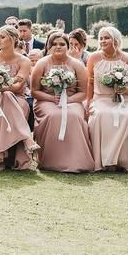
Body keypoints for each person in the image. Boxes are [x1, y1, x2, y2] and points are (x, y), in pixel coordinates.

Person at [87, 26, 128, 174]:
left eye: (106, 38)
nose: (103, 41)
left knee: (127, 117)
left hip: (126, 101)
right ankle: (104, 162)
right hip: (101, 100)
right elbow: (89, 82)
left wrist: (126, 90)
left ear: (116, 40)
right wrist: (88, 103)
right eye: (101, 38)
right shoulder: (94, 58)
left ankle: (124, 161)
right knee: (100, 116)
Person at [30, 31, 95, 173]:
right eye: (54, 44)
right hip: (46, 100)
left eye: (62, 44)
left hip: (73, 101)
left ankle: (76, 160)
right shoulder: (42, 63)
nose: (58, 47)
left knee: (74, 116)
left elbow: (83, 93)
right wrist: (51, 98)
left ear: (67, 46)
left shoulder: (77, 64)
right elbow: (34, 91)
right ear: (49, 46)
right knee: (54, 115)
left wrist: (68, 100)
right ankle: (50, 160)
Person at [0, 25, 40, 170]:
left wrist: (3, 87)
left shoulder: (23, 60)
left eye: (2, 37)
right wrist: (1, 88)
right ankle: (26, 138)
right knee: (4, 96)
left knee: (7, 96)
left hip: (18, 99)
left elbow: (18, 86)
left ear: (13, 39)